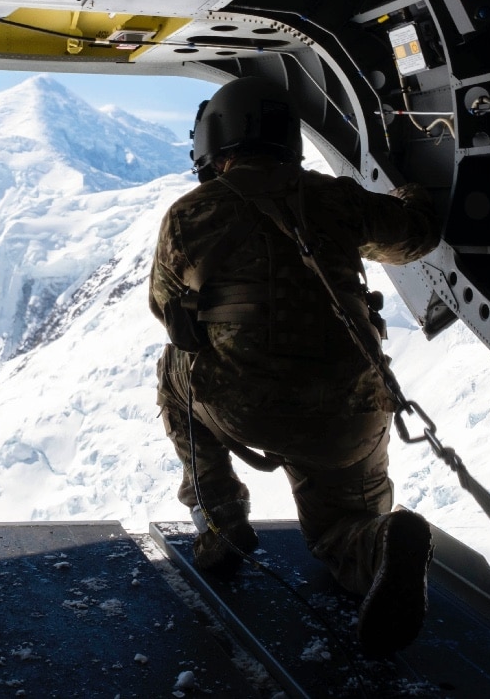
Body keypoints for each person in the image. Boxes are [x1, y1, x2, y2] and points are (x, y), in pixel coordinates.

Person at [148, 76, 442, 655]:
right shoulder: (336, 199)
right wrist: (412, 194)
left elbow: (166, 309)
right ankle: (381, 544)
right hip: (352, 414)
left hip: (246, 408)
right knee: (338, 532)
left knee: (173, 369)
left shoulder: (190, 214)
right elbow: (415, 238)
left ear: (214, 142)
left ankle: (221, 524)